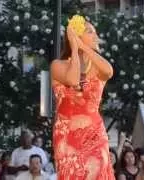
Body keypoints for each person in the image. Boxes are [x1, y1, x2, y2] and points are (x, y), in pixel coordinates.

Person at [51, 15, 114, 179]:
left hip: (94, 132)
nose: (96, 36)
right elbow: (72, 79)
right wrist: (74, 48)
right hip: (67, 133)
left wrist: (83, 47)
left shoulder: (98, 67)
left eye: (95, 32)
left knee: (98, 171)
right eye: (90, 32)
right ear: (76, 35)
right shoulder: (58, 65)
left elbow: (109, 71)